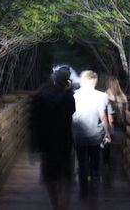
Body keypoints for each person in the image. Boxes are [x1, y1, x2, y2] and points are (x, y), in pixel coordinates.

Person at [30, 67, 75, 210]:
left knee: (50, 177)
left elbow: (34, 121)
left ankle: (55, 205)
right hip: (64, 140)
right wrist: (68, 89)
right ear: (66, 81)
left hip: (46, 141)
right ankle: (63, 206)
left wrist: (34, 145)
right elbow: (72, 111)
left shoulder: (40, 97)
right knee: (64, 176)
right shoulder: (68, 97)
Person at [72, 70, 111, 199]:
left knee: (82, 163)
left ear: (83, 80)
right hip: (95, 134)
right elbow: (103, 116)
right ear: (94, 81)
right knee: (95, 161)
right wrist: (107, 133)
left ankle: (83, 190)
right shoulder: (101, 96)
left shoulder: (74, 95)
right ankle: (94, 188)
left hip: (78, 135)